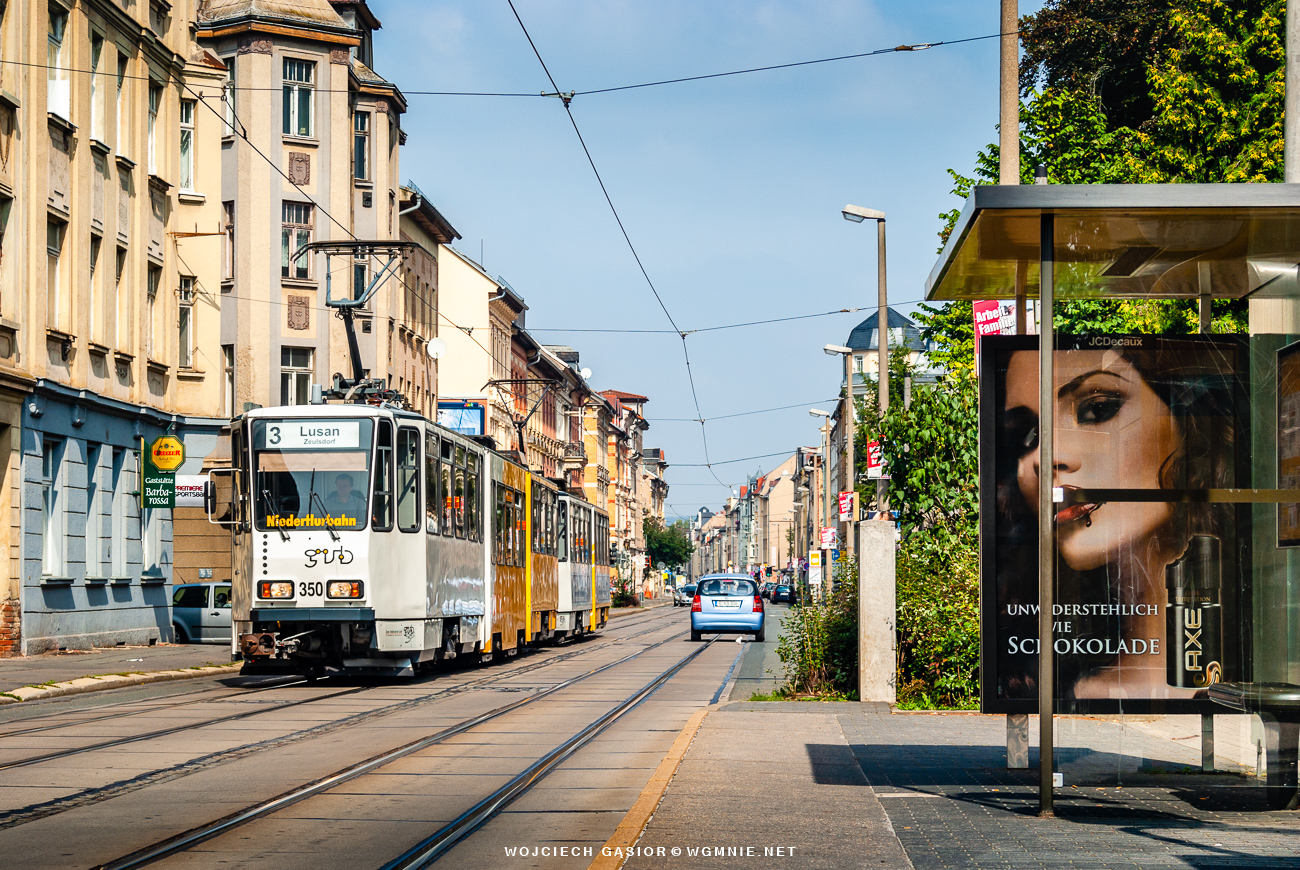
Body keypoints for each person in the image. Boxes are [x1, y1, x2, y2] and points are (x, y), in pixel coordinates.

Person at [998, 339, 1235, 701]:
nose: (1046, 459)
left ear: (1190, 424)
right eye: (1026, 438)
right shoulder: (1056, 680)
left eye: (1098, 409)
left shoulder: (1251, 660)